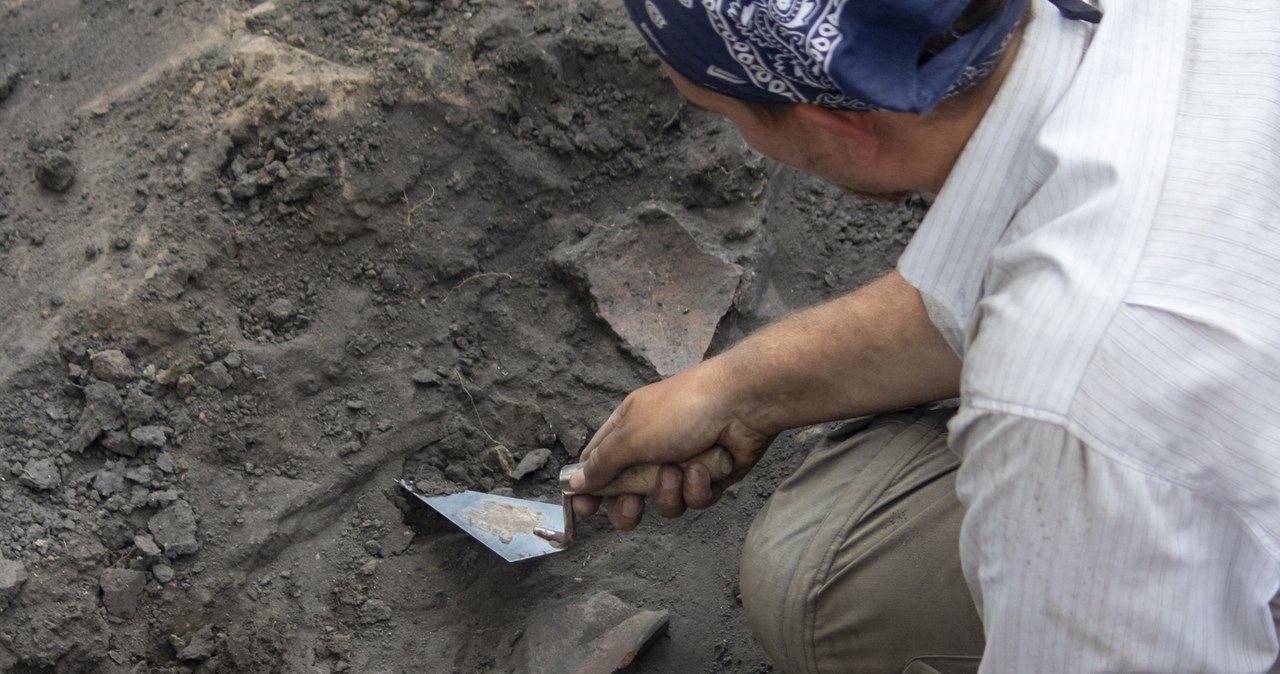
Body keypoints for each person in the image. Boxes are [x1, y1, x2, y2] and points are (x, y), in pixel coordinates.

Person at [567, 0, 1280, 671]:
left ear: (840, 126)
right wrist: (738, 391)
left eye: (718, 111)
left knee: (829, 598)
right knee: (819, 553)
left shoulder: (1064, 400)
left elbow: (1081, 355)